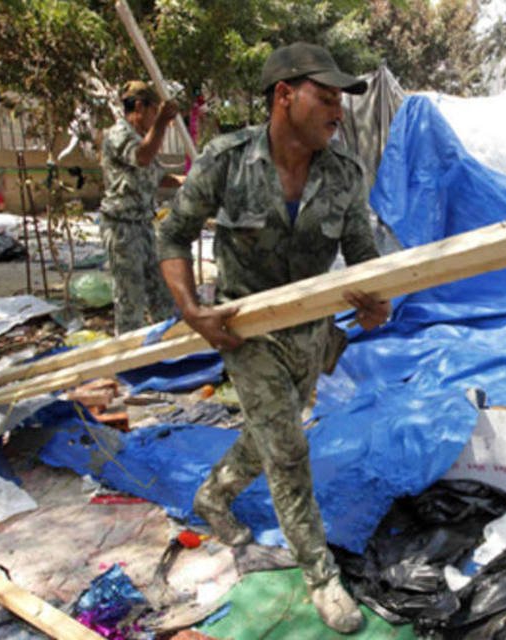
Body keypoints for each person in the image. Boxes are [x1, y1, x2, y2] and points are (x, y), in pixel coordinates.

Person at [156, 43, 391, 634]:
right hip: (246, 334)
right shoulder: (226, 160)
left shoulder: (345, 173)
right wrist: (190, 309)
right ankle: (321, 577)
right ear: (285, 96)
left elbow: (364, 261)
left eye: (342, 101)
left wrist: (376, 306)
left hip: (312, 335)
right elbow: (173, 237)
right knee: (288, 451)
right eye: (327, 97)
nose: (338, 111)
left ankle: (213, 495)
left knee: (270, 433)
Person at [100, 80, 182, 335]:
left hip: (144, 226)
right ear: (138, 106)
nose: (156, 118)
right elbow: (142, 157)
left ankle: (168, 347)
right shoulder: (118, 135)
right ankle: (130, 361)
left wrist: (193, 181)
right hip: (123, 228)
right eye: (153, 111)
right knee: (130, 300)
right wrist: (161, 123)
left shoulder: (141, 138)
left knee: (162, 294)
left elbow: (159, 176)